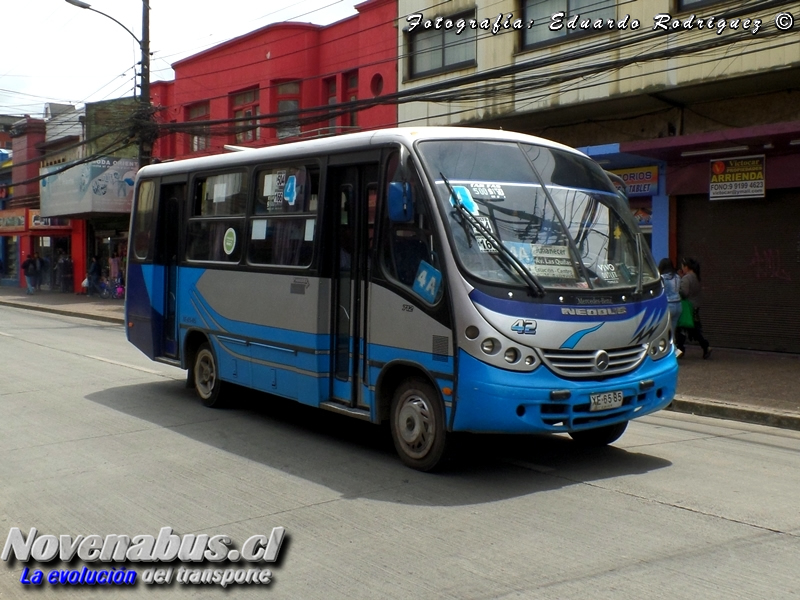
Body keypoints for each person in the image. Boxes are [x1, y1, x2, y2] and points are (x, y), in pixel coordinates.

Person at [676, 257, 712, 359]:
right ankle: (705, 346)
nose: (682, 268)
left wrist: (679, 286)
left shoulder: (686, 278)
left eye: (683, 267)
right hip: (695, 307)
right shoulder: (695, 276)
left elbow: (684, 293)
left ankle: (679, 351)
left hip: (688, 308)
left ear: (686, 267)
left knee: (682, 328)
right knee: (693, 330)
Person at [658, 258, 682, 353]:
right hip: (678, 305)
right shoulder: (677, 277)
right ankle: (673, 349)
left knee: (665, 331)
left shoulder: (662, 278)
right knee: (672, 329)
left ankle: (674, 351)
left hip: (668, 305)